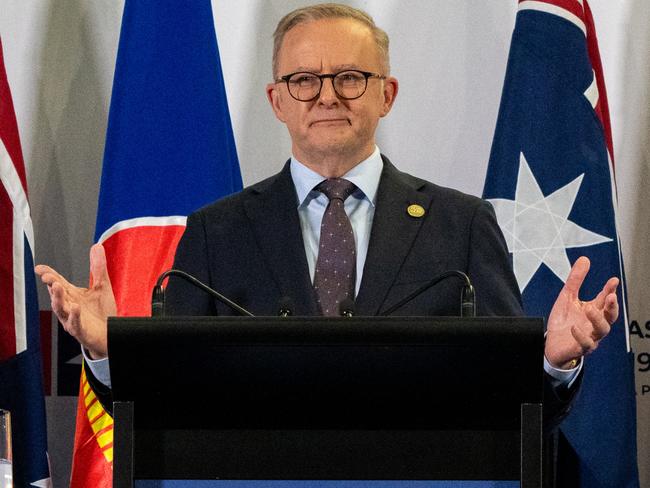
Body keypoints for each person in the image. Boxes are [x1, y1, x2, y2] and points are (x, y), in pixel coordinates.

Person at [35, 4, 617, 425]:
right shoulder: (217, 231)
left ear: (386, 94)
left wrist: (548, 361)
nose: (327, 96)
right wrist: (110, 351)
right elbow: (165, 399)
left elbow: (505, 395)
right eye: (304, 80)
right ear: (277, 100)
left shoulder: (460, 224)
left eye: (349, 77)